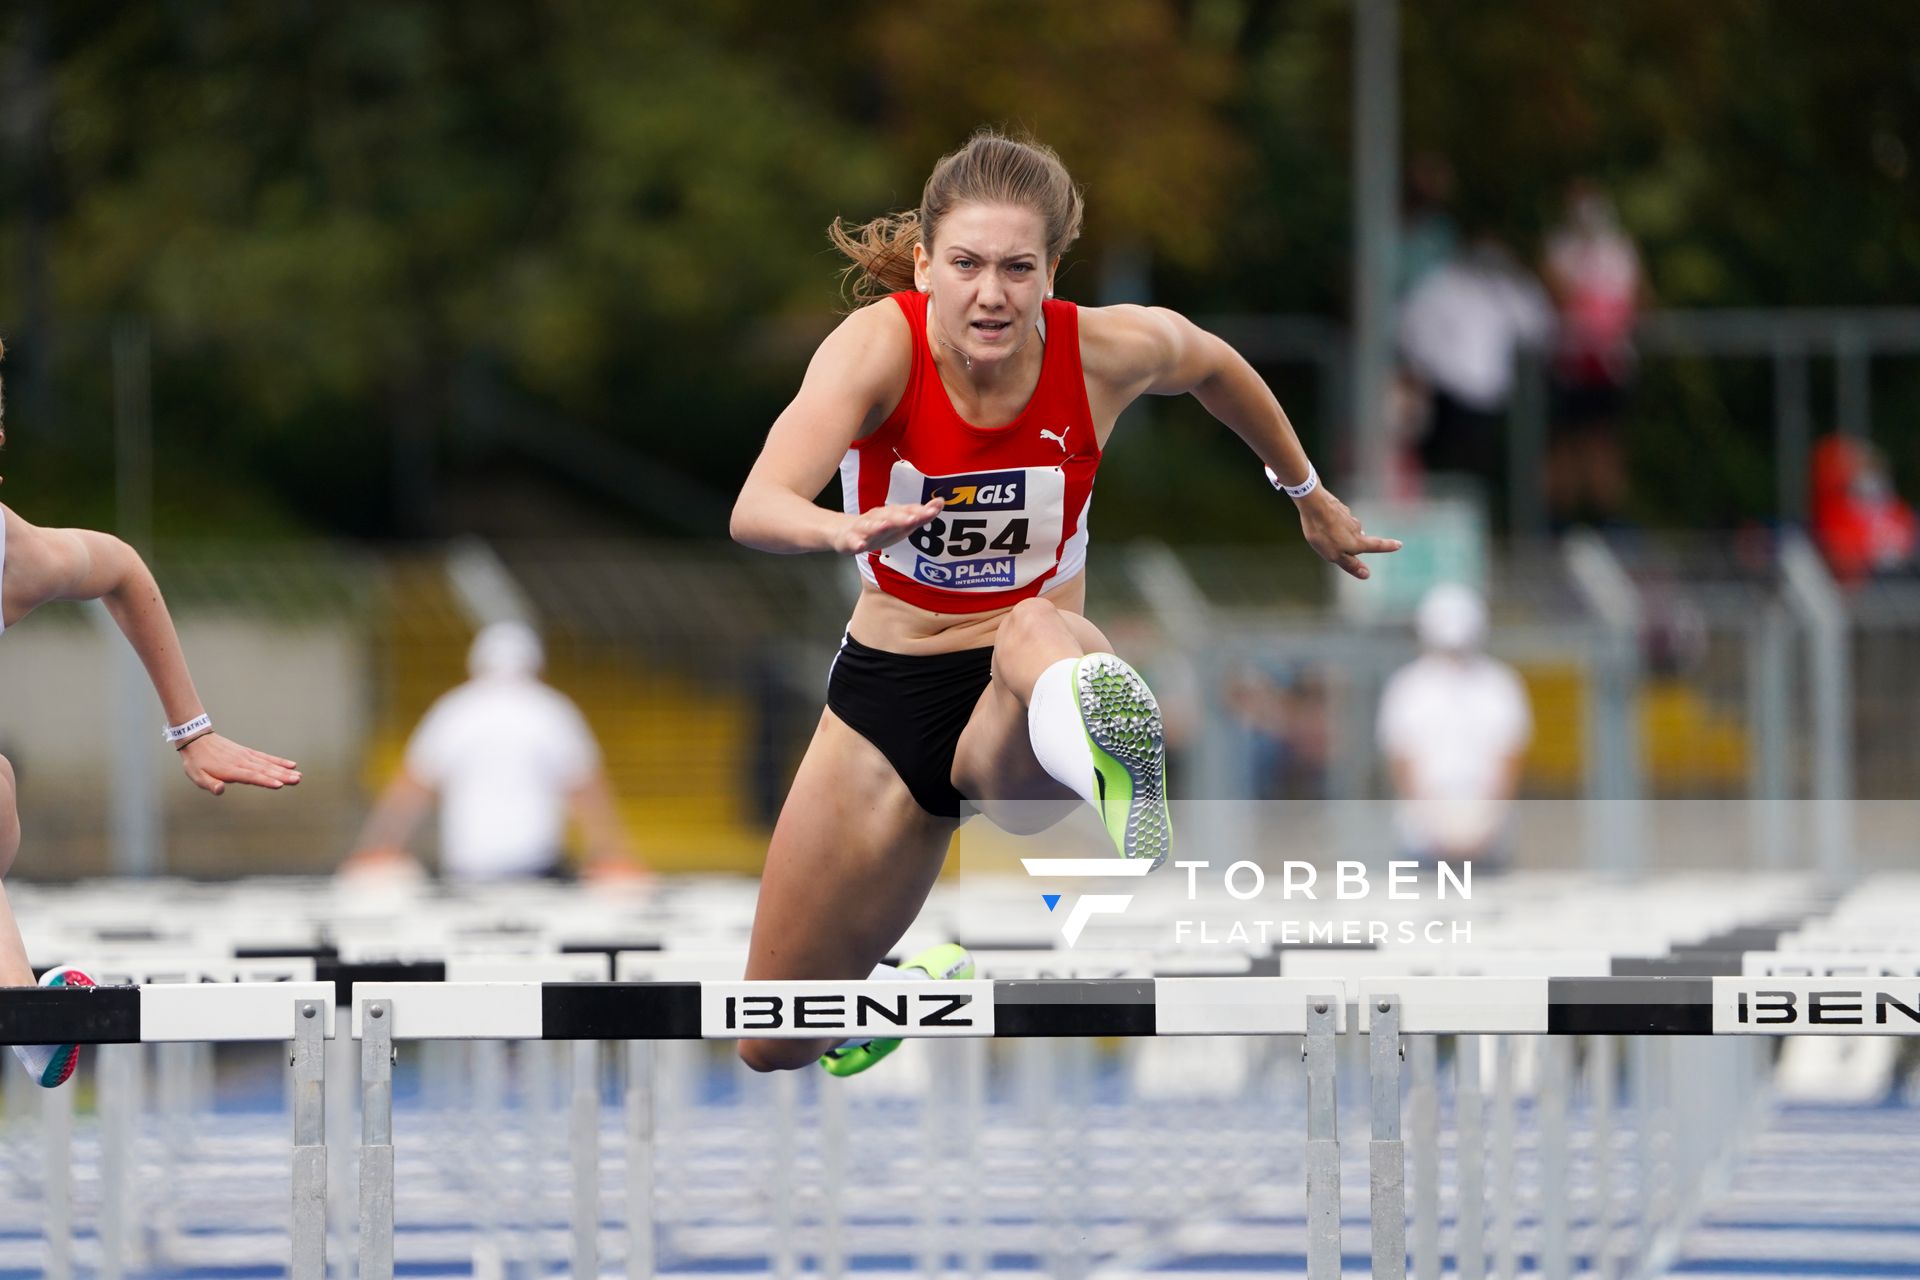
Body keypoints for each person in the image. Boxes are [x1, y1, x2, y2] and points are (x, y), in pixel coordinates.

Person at [729, 130, 1399, 1076]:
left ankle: (1113, 751)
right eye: (964, 265)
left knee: (1035, 625)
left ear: (1053, 271)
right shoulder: (877, 349)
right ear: (924, 265)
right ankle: (920, 980)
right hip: (884, 699)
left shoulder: (1106, 351)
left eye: (1017, 267)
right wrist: (833, 528)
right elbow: (755, 506)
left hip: (1025, 698)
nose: (990, 294)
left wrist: (1306, 493)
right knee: (771, 1038)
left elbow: (1214, 365)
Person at [0, 339, 302, 1087]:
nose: (2, 433)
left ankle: (24, 1018)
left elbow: (124, 569)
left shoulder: (9, 550)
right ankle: (24, 1020)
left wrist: (192, 731)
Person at [340, 620, 644, 882]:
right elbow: (585, 788)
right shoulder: (551, 709)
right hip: (536, 862)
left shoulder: (456, 709)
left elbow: (411, 788)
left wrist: (376, 846)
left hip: (467, 864)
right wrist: (612, 852)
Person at [1376, 583, 1530, 870]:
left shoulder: (1499, 684)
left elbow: (1509, 759)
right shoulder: (1408, 687)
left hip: (1489, 837)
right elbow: (1403, 762)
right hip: (1422, 838)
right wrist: (1434, 827)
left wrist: (1485, 827)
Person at [1398, 226, 1555, 501]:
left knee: (1480, 469)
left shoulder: (1505, 286)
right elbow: (1412, 329)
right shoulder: (1442, 283)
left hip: (1490, 397)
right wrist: (1430, 368)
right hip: (1447, 393)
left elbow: (1538, 323)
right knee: (1447, 467)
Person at [1541, 181, 1645, 527]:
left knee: (1603, 444)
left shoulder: (1618, 250)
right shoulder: (1562, 248)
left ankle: (1608, 523)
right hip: (1570, 364)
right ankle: (1558, 524)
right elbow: (1555, 293)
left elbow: (1638, 298)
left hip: (1608, 365)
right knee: (1566, 446)